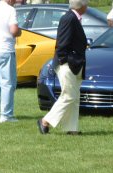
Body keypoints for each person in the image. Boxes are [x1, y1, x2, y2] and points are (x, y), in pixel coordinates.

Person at [38, 0, 88, 135]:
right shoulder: (69, 18)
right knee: (68, 96)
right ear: (82, 6)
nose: (87, 6)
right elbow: (61, 43)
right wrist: (64, 60)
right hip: (68, 64)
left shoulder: (74, 18)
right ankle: (45, 121)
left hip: (75, 64)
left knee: (74, 97)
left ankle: (71, 128)